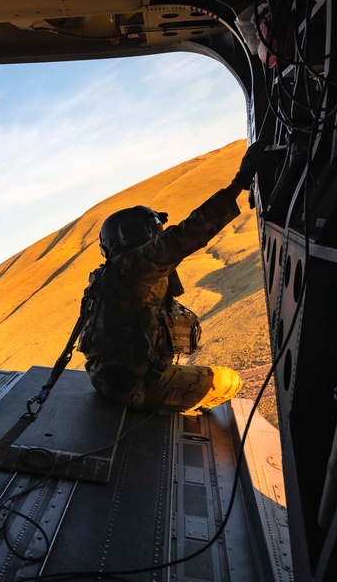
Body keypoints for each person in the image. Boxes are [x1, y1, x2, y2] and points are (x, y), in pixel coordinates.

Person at [77, 142, 265, 414]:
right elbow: (184, 237)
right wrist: (240, 182)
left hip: (109, 379)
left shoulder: (114, 274)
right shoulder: (136, 267)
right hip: (135, 386)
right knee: (229, 381)